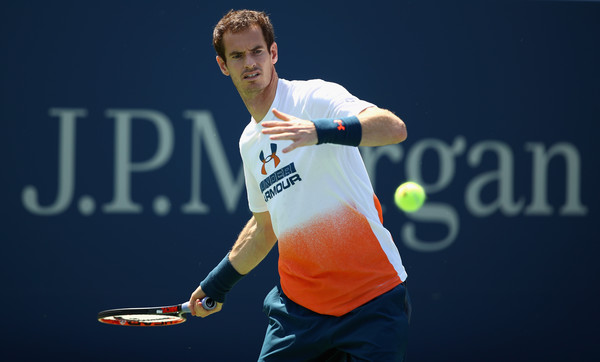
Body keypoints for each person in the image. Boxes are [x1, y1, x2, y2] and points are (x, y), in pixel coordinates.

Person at [189, 9, 411, 361]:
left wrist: (319, 132)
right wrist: (217, 284)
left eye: (257, 51)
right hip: (298, 313)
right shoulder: (249, 142)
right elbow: (265, 229)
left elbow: (393, 128)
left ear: (273, 53)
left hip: (373, 300)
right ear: (223, 65)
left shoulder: (314, 98)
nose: (250, 62)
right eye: (237, 55)